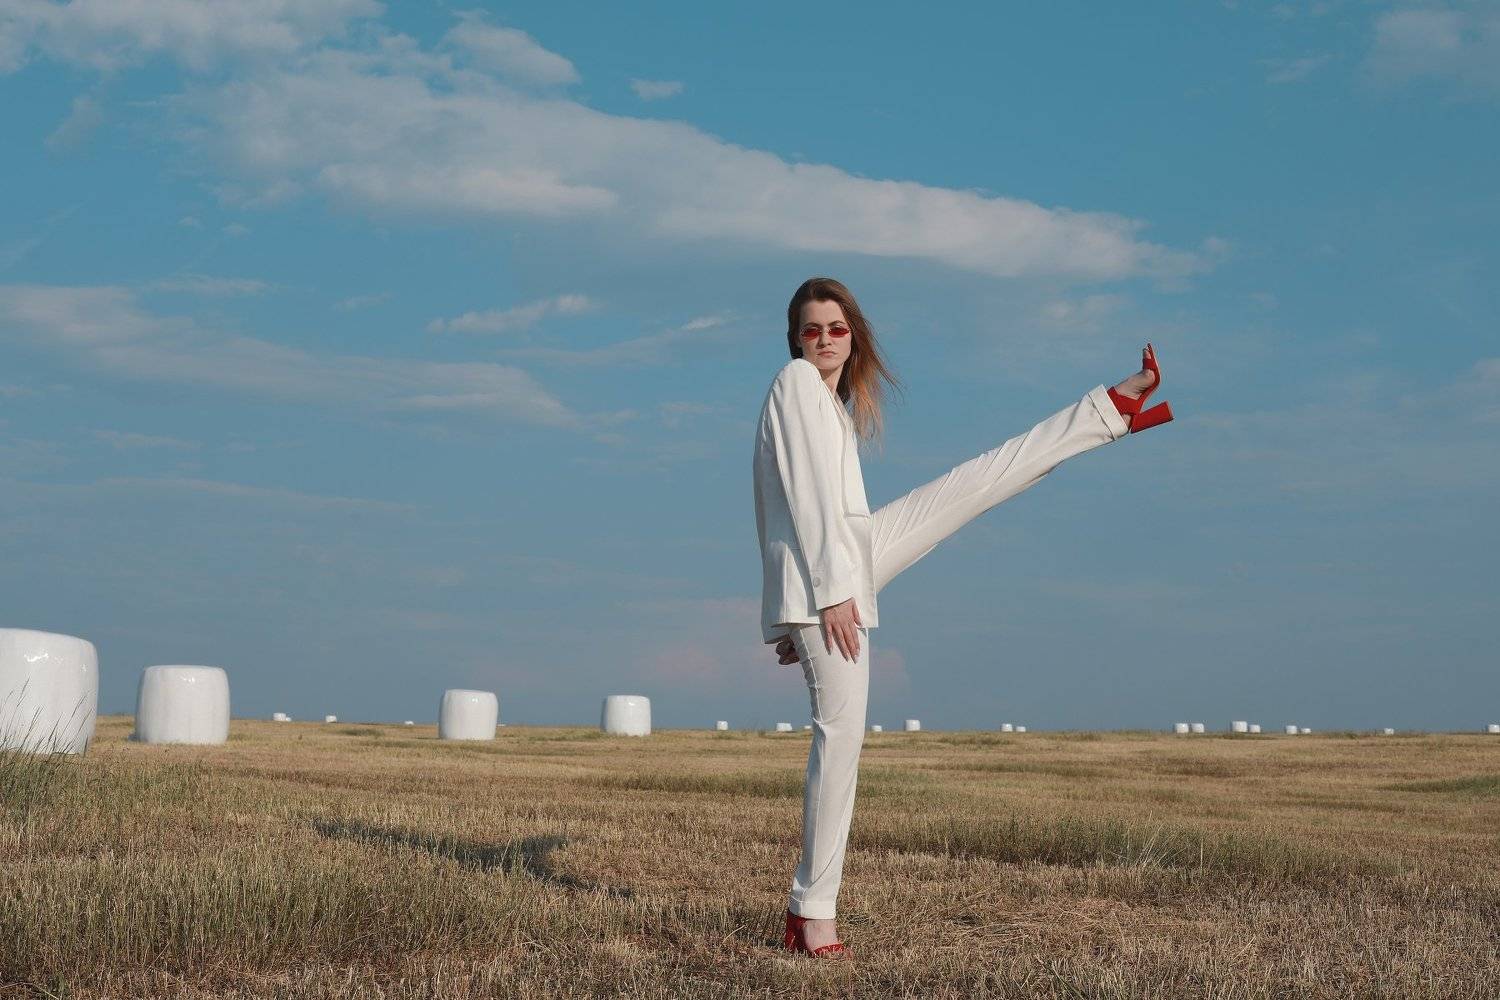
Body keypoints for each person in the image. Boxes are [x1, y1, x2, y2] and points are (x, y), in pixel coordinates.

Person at [751, 276, 1173, 959]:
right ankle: (812, 912)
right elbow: (800, 497)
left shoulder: (832, 405)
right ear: (795, 340)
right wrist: (821, 597)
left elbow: (815, 508)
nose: (824, 340)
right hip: (833, 579)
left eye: (836, 328)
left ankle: (1109, 409)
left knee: (971, 485)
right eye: (811, 330)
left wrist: (813, 595)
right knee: (841, 738)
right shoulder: (797, 383)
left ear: (853, 336)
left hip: (847, 562)